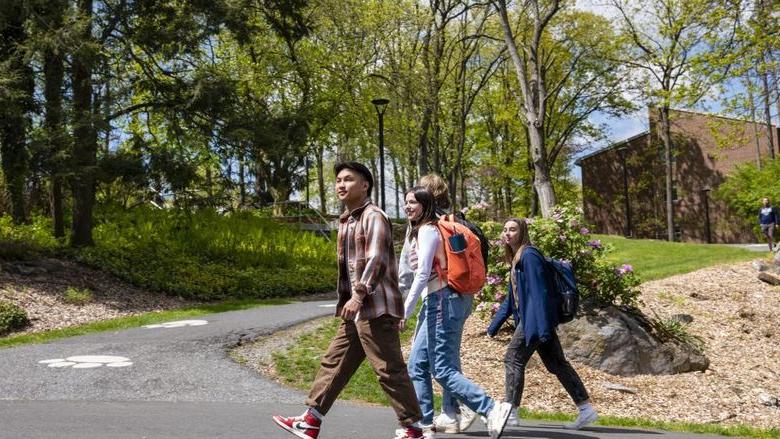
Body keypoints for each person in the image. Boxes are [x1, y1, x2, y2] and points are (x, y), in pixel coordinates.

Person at [272, 162, 424, 439]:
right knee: (334, 362)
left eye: (348, 179)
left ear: (364, 185)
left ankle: (413, 427)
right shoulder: (348, 219)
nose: (341, 184)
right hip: (355, 310)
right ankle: (310, 420)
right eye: (338, 180)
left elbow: (376, 258)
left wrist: (358, 294)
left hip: (374, 308)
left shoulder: (373, 216)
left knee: (388, 370)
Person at [400, 186, 512, 439]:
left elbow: (421, 274)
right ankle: (423, 425)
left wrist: (405, 312)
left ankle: (491, 407)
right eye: (405, 202)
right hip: (438, 300)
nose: (408, 207)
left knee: (441, 368)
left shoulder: (428, 230)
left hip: (442, 300)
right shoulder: (423, 229)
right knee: (417, 363)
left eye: (413, 202)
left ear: (426, 205)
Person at [489, 218, 597, 431]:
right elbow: (512, 299)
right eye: (505, 230)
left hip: (535, 321)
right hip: (535, 321)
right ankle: (586, 409)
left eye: (513, 229)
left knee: (513, 358)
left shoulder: (529, 256)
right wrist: (494, 326)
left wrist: (542, 327)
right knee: (557, 363)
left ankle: (510, 412)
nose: (507, 233)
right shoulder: (517, 258)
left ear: (522, 232)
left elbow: (541, 294)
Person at [398, 174, 479, 434]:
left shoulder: (424, 226)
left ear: (425, 196)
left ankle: (476, 407)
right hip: (462, 294)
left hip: (438, 297)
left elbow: (409, 272)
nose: (410, 204)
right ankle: (448, 413)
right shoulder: (456, 222)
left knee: (429, 363)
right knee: (443, 359)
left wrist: (403, 304)